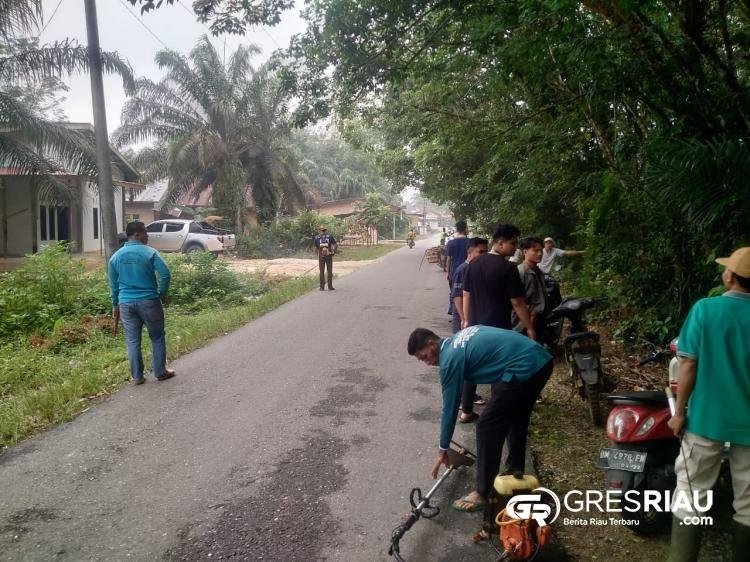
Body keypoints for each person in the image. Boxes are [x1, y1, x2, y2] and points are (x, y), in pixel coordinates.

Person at [407, 325, 553, 512]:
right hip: (539, 359)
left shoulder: (449, 359)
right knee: (516, 414)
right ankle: (515, 472)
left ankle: (482, 492)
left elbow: (450, 409)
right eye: (422, 360)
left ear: (431, 344)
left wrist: (443, 448)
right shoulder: (457, 340)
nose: (427, 362)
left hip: (525, 364)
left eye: (424, 356)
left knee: (486, 425)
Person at [666, 247, 750, 562]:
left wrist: (679, 412)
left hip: (705, 420)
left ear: (729, 276)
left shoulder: (705, 309)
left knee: (690, 493)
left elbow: (687, 365)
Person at [108, 221, 174, 385]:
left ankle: (137, 376)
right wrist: (162, 294)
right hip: (149, 301)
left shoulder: (115, 257)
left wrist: (115, 305)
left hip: (125, 304)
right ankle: (160, 371)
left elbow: (113, 285)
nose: (148, 235)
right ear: (136, 234)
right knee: (157, 336)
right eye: (145, 232)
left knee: (132, 340)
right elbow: (165, 274)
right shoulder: (150, 252)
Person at [461, 223, 535, 339]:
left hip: (475, 329)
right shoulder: (508, 268)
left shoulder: (473, 263)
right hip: (498, 330)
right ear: (500, 243)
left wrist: (466, 320)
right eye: (513, 243)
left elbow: (466, 294)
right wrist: (529, 328)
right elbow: (517, 302)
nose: (516, 247)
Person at [451, 237, 489, 422]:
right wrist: (465, 320)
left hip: (475, 321)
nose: (483, 256)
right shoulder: (463, 269)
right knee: (466, 363)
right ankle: (463, 401)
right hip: (464, 322)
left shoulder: (478, 268)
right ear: (470, 252)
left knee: (471, 362)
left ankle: (468, 398)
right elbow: (457, 297)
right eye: (480, 252)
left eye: (485, 252)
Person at [513, 237, 548, 341]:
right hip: (525, 322)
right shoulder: (520, 272)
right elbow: (517, 301)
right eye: (535, 251)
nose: (540, 254)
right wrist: (530, 319)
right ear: (525, 252)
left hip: (539, 317)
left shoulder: (538, 271)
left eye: (541, 250)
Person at [445, 220, 470, 315]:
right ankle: (465, 313)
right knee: (466, 292)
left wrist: (448, 272)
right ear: (465, 229)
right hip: (468, 270)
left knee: (454, 291)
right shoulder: (470, 242)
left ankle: (453, 311)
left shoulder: (451, 243)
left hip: (454, 271)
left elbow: (448, 259)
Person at [314, 225, 337, 291]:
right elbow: (335, 244)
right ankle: (330, 287)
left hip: (321, 256)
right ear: (325, 230)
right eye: (323, 230)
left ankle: (322, 287)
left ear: (319, 231)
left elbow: (315, 247)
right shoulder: (329, 236)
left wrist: (317, 254)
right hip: (329, 255)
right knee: (329, 271)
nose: (323, 231)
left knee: (321, 271)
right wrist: (334, 252)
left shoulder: (316, 237)